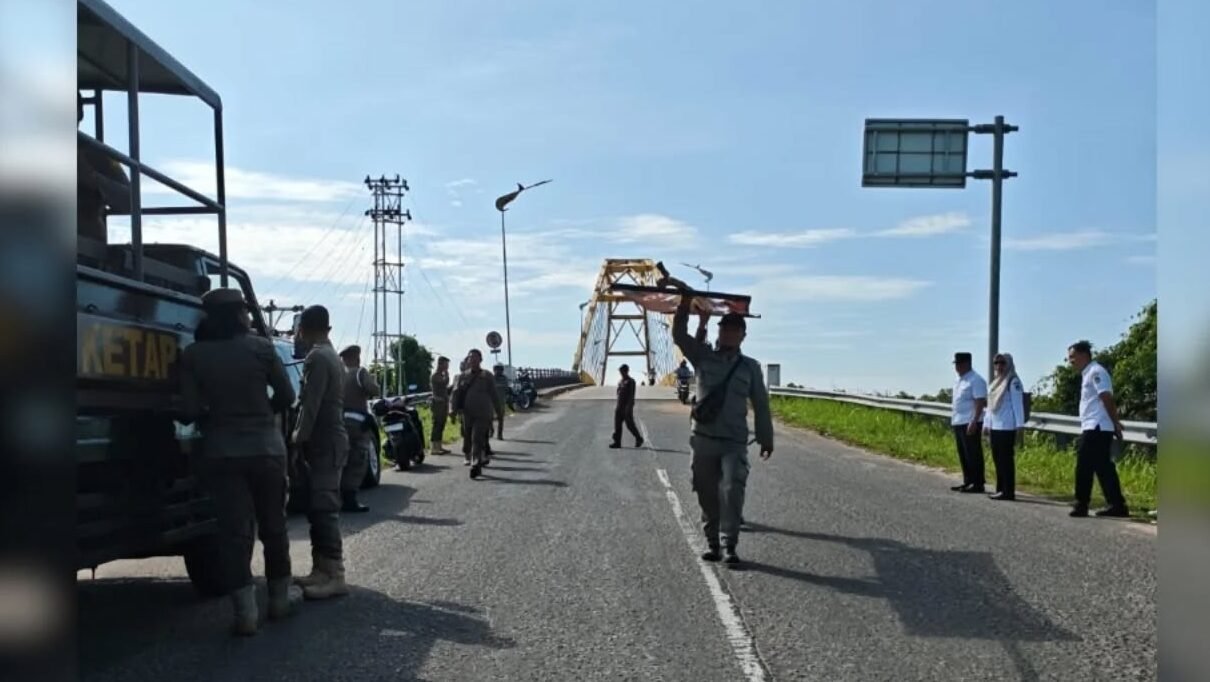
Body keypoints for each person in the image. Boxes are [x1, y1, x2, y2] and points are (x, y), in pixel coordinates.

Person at [178, 288, 300, 636]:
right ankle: (278, 601)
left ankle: (245, 614)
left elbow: (187, 411)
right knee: (273, 526)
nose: (249, 317)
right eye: (245, 312)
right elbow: (288, 397)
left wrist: (211, 414)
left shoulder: (193, 355)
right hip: (266, 450)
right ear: (238, 315)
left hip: (220, 452)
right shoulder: (261, 349)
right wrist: (262, 413)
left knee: (233, 533)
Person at [672, 298, 773, 567]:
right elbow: (679, 336)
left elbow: (761, 403)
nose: (728, 334)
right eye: (724, 329)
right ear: (718, 332)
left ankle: (729, 545)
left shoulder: (750, 367)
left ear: (743, 336)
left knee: (732, 488)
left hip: (734, 441)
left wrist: (766, 437)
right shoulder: (703, 357)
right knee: (705, 491)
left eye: (734, 330)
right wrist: (685, 305)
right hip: (703, 439)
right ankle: (713, 543)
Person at [292, 305, 351, 600]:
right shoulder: (331, 354)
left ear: (304, 327)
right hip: (329, 439)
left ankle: (335, 574)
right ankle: (321, 569)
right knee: (317, 507)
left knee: (324, 508)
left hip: (324, 440)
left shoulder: (317, 357)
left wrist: (296, 439)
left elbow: (310, 406)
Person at [1066, 341, 1130, 518]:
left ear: (1083, 355)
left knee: (1084, 466)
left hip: (1097, 426)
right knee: (1103, 467)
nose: (1070, 361)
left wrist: (1115, 423)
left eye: (1072, 357)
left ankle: (1081, 504)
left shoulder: (1096, 372)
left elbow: (1106, 397)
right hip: (1094, 425)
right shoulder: (1087, 373)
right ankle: (1117, 505)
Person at [338, 345, 379, 513]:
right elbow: (373, 390)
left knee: (342, 460)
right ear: (356, 358)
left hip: (340, 422)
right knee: (358, 460)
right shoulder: (360, 373)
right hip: (357, 423)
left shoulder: (339, 375)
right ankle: (350, 498)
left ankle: (338, 495)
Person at [452, 349, 504, 479]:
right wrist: (452, 410)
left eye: (475, 358)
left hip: (483, 413)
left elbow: (494, 395)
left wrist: (499, 411)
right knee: (468, 437)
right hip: (467, 414)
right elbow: (455, 394)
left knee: (477, 437)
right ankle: (476, 459)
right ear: (468, 361)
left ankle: (475, 463)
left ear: (480, 360)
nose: (473, 360)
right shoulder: (462, 376)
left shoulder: (487, 376)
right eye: (470, 358)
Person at [983, 353, 1026, 501]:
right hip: (995, 426)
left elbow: (1018, 406)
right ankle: (1000, 488)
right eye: (996, 363)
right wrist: (986, 425)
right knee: (997, 459)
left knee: (1006, 461)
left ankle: (1008, 491)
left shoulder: (1013, 382)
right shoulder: (995, 383)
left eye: (1002, 363)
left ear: (1008, 364)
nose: (999, 366)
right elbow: (989, 407)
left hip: (1007, 427)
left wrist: (1020, 428)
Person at [950, 352, 988, 493]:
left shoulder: (975, 380)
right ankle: (968, 481)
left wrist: (974, 420)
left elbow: (979, 402)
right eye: (956, 364)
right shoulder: (959, 381)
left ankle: (978, 482)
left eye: (959, 364)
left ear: (967, 363)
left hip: (971, 421)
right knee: (964, 453)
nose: (957, 367)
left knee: (973, 453)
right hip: (959, 421)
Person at [610, 364, 643, 449]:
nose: (620, 373)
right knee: (617, 425)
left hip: (626, 407)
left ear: (626, 371)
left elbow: (631, 396)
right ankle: (617, 442)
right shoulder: (620, 381)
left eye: (622, 371)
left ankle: (639, 438)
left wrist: (628, 408)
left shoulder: (631, 381)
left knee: (630, 425)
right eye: (620, 372)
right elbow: (618, 393)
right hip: (619, 407)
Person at [430, 357, 453, 456]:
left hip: (443, 403)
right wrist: (447, 375)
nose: (447, 366)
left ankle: (439, 446)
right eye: (446, 364)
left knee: (442, 424)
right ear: (440, 364)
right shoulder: (435, 375)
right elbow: (444, 382)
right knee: (437, 425)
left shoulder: (441, 375)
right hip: (437, 404)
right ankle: (434, 447)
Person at [492, 364, 510, 440]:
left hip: (501, 401)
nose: (498, 371)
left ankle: (500, 434)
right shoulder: (491, 378)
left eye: (499, 370)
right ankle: (491, 430)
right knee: (489, 418)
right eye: (496, 370)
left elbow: (506, 387)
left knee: (500, 419)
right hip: (491, 401)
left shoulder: (504, 378)